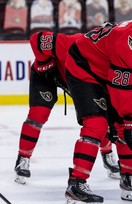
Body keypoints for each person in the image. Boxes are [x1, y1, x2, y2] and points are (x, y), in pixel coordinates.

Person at [62, 3, 132, 204]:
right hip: (84, 67)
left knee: (124, 126)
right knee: (96, 124)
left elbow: (130, 77)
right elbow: (120, 85)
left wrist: (128, 120)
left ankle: (129, 180)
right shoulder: (129, 42)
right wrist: (131, 117)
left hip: (108, 72)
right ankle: (75, 187)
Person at [14, 31, 120, 185]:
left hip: (77, 81)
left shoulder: (109, 63)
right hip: (46, 76)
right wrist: (46, 65)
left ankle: (107, 154)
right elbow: (36, 39)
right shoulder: (72, 43)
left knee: (98, 116)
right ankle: (23, 158)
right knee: (39, 114)